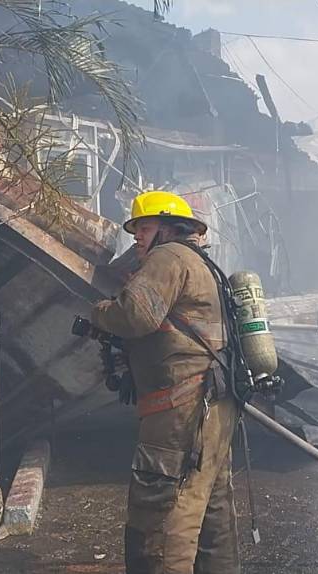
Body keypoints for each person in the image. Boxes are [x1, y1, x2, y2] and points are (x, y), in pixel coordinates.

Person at [90, 190, 241, 574]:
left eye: (143, 226)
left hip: (183, 408)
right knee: (210, 509)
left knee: (163, 512)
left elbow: (135, 316)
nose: (137, 236)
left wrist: (101, 312)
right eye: (135, 229)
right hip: (216, 406)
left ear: (168, 227)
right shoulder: (203, 263)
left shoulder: (167, 257)